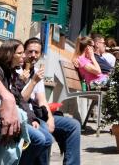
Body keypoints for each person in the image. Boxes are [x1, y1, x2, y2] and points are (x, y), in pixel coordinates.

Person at [22, 37, 81, 165]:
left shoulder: (37, 72)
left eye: (36, 52)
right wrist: (32, 81)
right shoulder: (18, 71)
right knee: (45, 134)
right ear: (24, 52)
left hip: (38, 113)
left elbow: (42, 100)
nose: (33, 55)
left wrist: (50, 118)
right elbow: (20, 100)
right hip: (26, 116)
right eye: (30, 51)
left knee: (73, 125)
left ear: (41, 54)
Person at [0, 39, 48, 165]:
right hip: (1, 117)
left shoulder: (10, 71)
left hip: (18, 114)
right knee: (40, 139)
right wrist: (22, 82)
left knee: (46, 138)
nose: (24, 56)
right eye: (20, 53)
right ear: (9, 54)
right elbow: (8, 99)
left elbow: (18, 99)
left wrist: (32, 118)